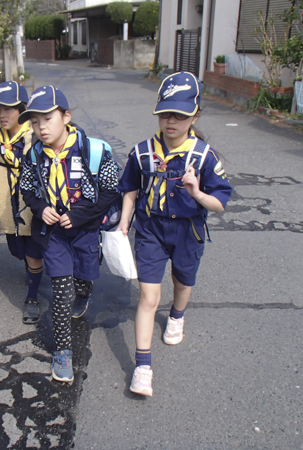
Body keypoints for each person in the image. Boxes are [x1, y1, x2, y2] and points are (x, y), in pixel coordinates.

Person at [116, 72, 233, 396]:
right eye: (166, 113)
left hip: (188, 230)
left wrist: (197, 193)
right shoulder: (142, 153)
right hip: (151, 229)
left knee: (182, 283)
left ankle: (178, 315)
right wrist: (125, 223)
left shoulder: (204, 156)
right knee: (149, 297)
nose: (171, 121)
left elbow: (220, 203)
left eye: (180, 115)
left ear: (194, 115)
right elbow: (129, 190)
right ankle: (142, 367)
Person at [19, 86, 120, 382]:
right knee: (62, 291)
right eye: (34, 122)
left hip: (85, 230)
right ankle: (63, 351)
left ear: (66, 117)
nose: (40, 127)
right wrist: (40, 208)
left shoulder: (94, 150)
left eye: (47, 119)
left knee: (84, 279)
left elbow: (111, 189)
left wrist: (78, 216)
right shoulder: (34, 155)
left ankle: (84, 292)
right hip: (54, 235)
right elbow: (27, 188)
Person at [0, 81, 44, 324]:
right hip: (8, 212)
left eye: (8, 108)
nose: (1, 115)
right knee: (17, 251)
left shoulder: (35, 138)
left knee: (33, 254)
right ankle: (33, 269)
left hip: (33, 210)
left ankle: (32, 297)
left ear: (23, 109)